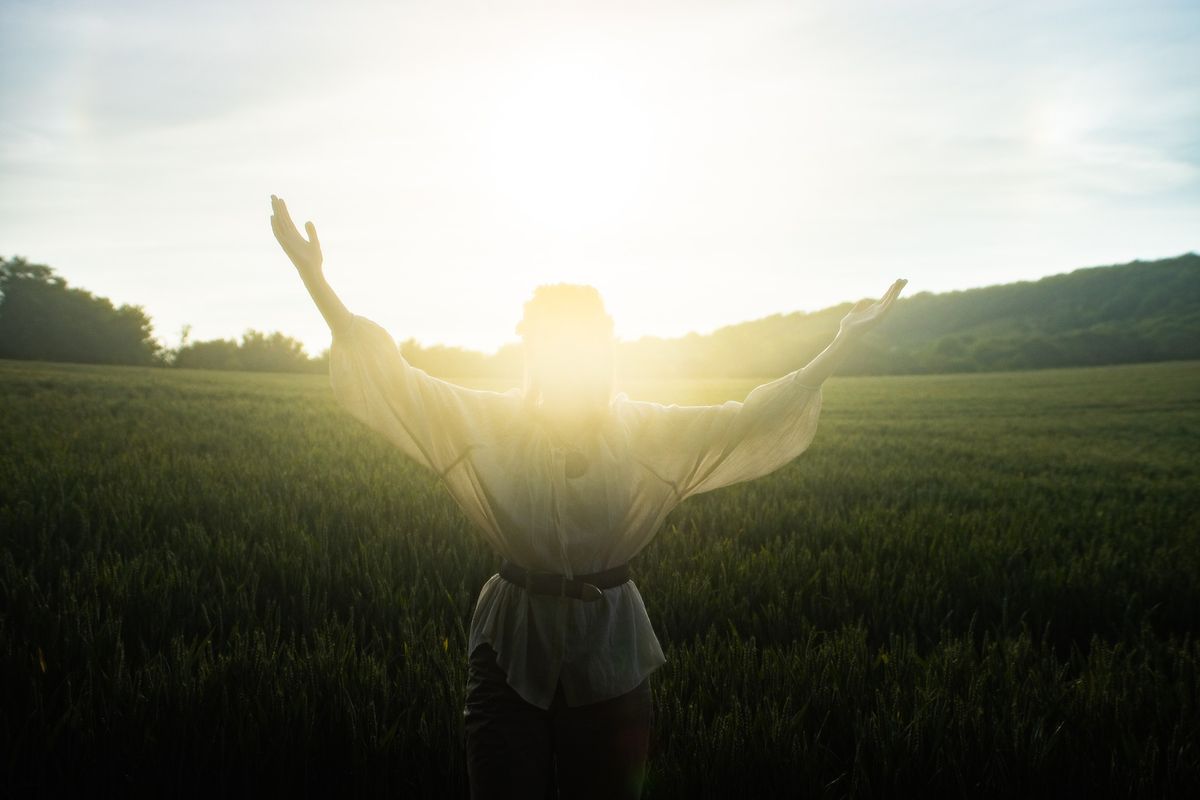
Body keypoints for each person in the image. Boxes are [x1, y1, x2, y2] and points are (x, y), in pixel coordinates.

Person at [269, 194, 906, 798]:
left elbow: (750, 417)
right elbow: (393, 381)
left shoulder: (645, 431)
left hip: (611, 653)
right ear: (534, 354)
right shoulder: (489, 424)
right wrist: (315, 282)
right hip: (509, 649)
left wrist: (841, 343)